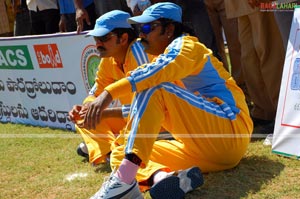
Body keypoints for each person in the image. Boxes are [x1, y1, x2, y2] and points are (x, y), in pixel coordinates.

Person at [78, 2, 252, 199]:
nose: (141, 35)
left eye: (146, 28)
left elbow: (152, 79)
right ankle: (166, 179)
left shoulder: (187, 45)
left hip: (230, 131)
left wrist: (107, 96)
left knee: (154, 86)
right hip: (207, 150)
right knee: (120, 153)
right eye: (139, 29)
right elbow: (148, 107)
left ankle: (124, 180)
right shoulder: (157, 55)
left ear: (169, 30)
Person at [68, 10, 155, 165]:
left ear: (123, 38)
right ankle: (111, 153)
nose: (98, 44)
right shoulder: (109, 59)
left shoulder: (139, 52)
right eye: (96, 39)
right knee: (84, 115)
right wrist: (86, 107)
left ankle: (115, 150)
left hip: (156, 123)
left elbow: (150, 109)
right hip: (132, 119)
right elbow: (94, 94)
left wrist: (104, 112)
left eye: (103, 38)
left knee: (97, 113)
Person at [224, 0, 285, 135]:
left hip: (260, 4)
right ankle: (263, 112)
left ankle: (281, 113)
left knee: (269, 53)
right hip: (239, 5)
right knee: (249, 58)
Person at [204, 0, 244, 87]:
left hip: (227, 2)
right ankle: (223, 85)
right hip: (204, 4)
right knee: (214, 47)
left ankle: (241, 86)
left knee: (235, 44)